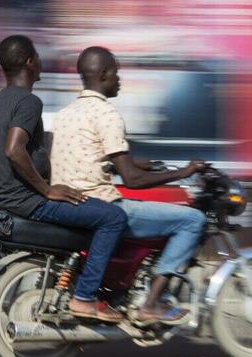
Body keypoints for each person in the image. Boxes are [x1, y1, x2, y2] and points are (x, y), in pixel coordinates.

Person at [0, 36, 127, 322]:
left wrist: (2, 180)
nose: (40, 61)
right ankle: (85, 297)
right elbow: (14, 149)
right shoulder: (28, 102)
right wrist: (46, 189)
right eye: (37, 56)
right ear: (29, 62)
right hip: (31, 202)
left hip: (4, 200)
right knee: (112, 218)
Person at [49, 46, 207, 324]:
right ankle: (152, 303)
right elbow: (133, 181)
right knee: (192, 219)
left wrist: (134, 164)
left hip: (69, 204)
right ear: (103, 74)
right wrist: (183, 173)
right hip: (101, 203)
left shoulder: (66, 113)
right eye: (117, 73)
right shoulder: (107, 114)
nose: (120, 79)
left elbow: (88, 159)